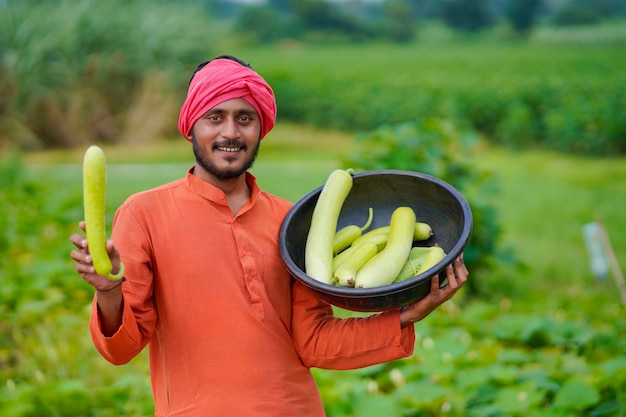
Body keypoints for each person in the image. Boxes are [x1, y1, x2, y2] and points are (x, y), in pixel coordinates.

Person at [69, 55, 469, 416]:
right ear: (191, 125)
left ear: (261, 128)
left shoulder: (289, 220)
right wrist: (108, 291)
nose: (231, 132)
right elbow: (121, 348)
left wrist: (407, 314)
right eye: (215, 117)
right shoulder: (144, 214)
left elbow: (314, 341)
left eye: (245, 118)